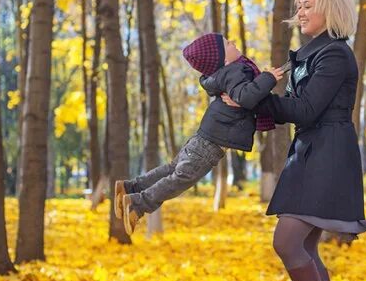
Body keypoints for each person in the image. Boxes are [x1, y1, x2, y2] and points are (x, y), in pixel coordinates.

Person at [223, 0, 366, 281]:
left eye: (309, 5)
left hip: (327, 153)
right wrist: (250, 100)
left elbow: (304, 109)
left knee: (288, 242)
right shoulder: (309, 55)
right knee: (303, 246)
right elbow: (295, 110)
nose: (300, 12)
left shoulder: (335, 55)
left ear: (330, 10)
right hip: (308, 150)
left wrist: (255, 99)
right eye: (299, 5)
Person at [114, 33, 285, 235]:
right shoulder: (237, 70)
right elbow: (245, 97)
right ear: (223, 59)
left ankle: (129, 187)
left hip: (205, 137)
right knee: (181, 178)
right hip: (210, 143)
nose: (233, 43)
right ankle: (138, 204)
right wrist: (268, 78)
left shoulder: (224, 74)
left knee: (172, 169)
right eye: (228, 44)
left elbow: (243, 97)